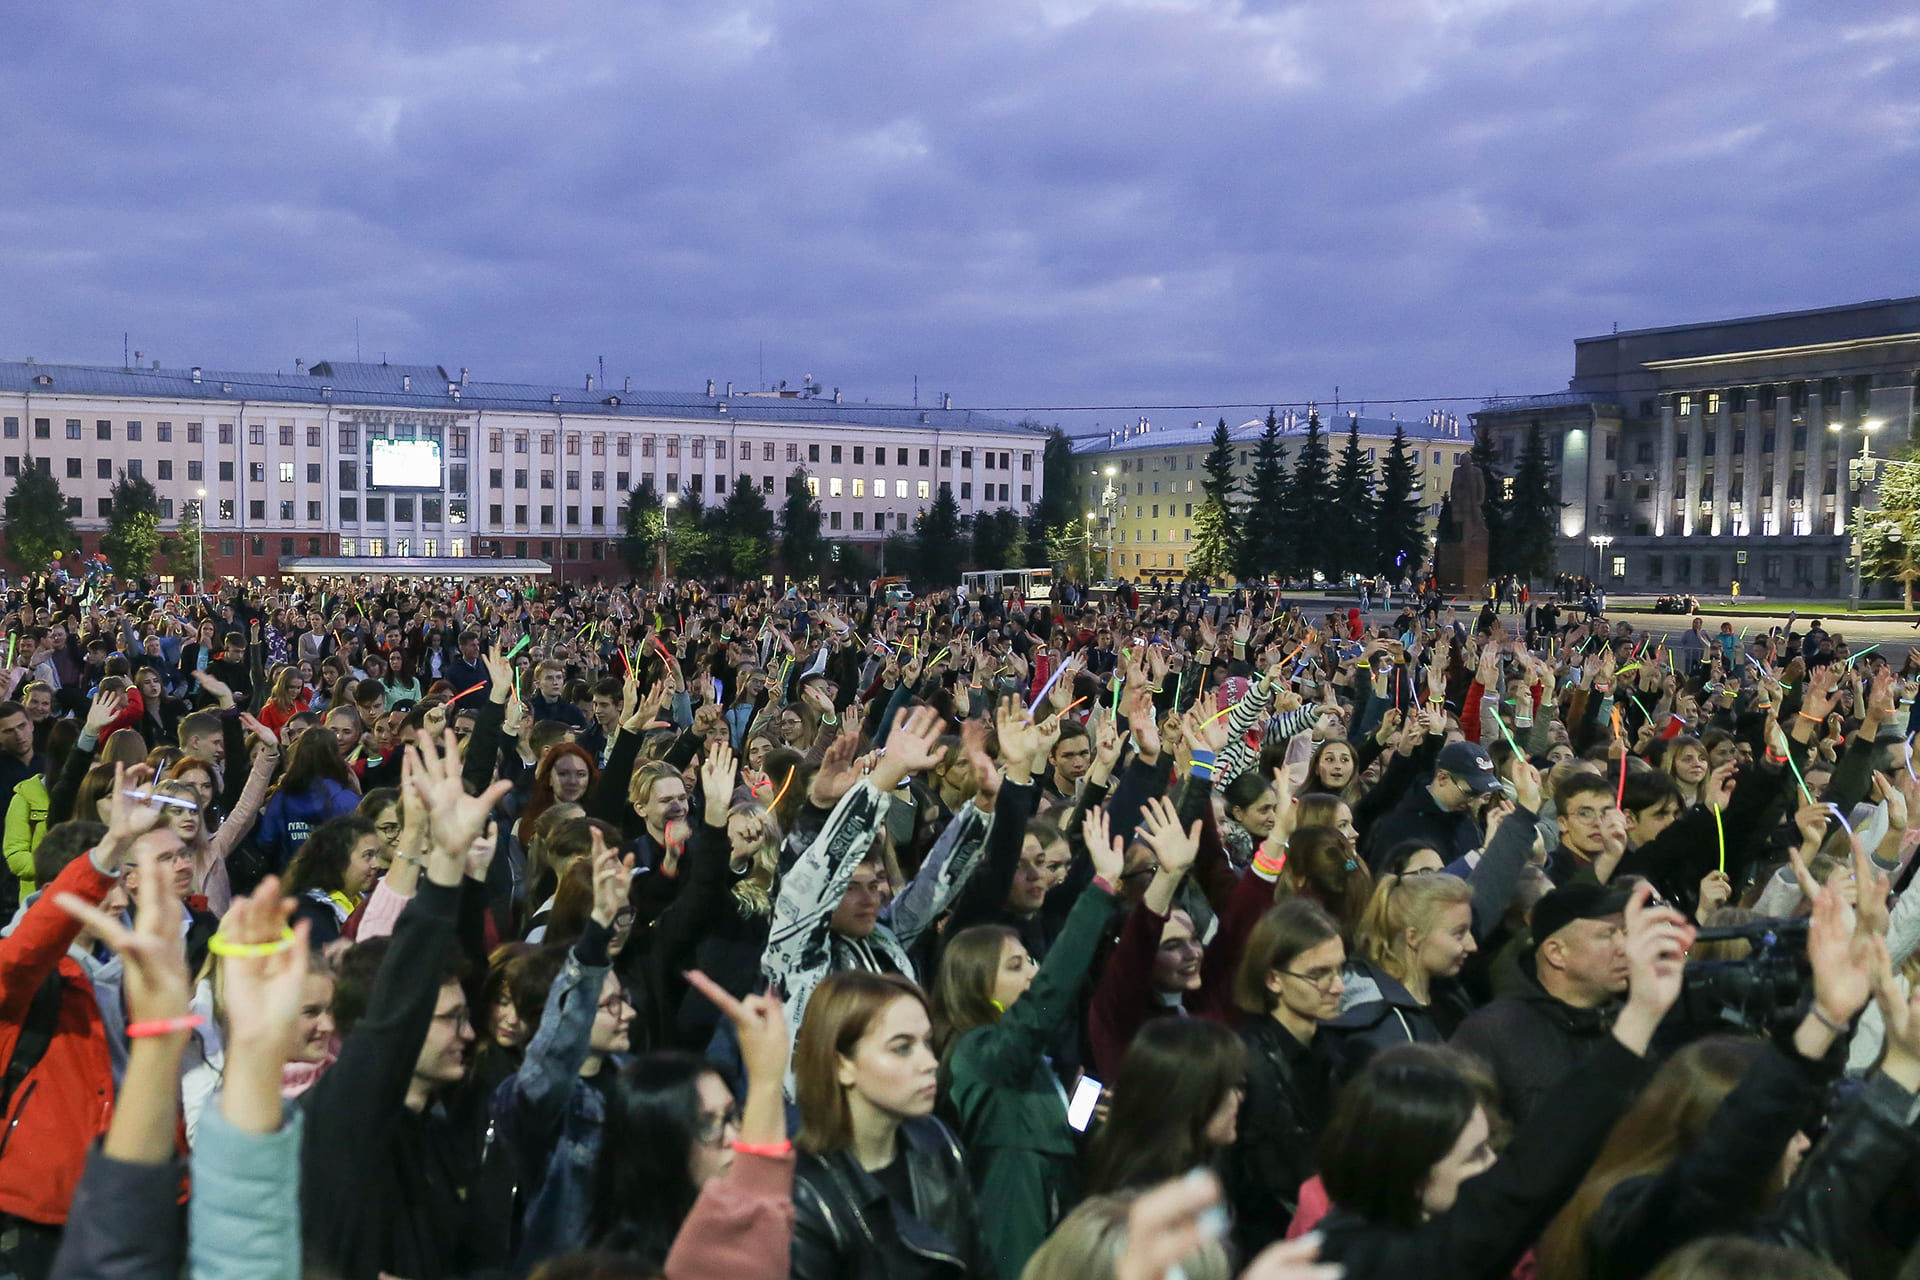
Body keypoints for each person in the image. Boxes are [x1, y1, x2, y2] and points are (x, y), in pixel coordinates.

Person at [1311, 883, 1690, 1280]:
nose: (1496, 1163)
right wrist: (1640, 1019)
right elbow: (1536, 1165)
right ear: (1415, 1177)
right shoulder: (1404, 1260)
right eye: (1476, 1155)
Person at [932, 803, 1123, 1280]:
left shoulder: (1031, 1057)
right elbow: (1048, 1001)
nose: (1035, 974)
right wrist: (1100, 891)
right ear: (977, 985)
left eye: (1030, 962)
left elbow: (1062, 1124)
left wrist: (1094, 1113)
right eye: (1016, 967)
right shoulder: (979, 1053)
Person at [788, 970, 991, 1280]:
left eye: (927, 1042)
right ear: (842, 1065)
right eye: (902, 1047)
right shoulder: (803, 1194)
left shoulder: (937, 1140)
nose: (930, 1063)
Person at [1448, 883, 1629, 1124]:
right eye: (1608, 934)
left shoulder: (1634, 1022)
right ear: (1556, 953)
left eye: (1625, 933)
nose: (1625, 947)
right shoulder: (1493, 1034)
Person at [1225, 898, 1346, 1254]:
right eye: (1318, 974)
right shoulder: (1242, 1063)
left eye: (1340, 970)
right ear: (1273, 979)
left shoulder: (1336, 1054)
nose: (1337, 986)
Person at [1323, 870, 1478, 1075]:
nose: (1473, 945)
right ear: (1413, 937)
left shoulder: (1448, 993)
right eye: (1459, 934)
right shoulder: (1379, 1025)